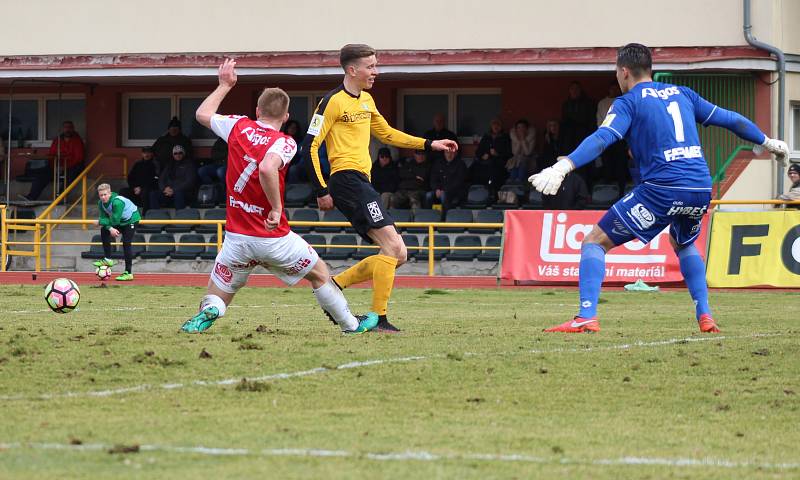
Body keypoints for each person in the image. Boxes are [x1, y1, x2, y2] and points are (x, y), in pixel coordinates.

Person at [529, 43, 789, 334]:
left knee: (594, 241)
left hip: (662, 188)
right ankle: (705, 315)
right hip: (701, 187)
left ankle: (586, 316)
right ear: (649, 69)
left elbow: (604, 137)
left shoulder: (628, 102)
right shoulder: (683, 94)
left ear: (623, 71)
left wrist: (564, 166)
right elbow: (731, 119)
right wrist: (767, 142)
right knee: (684, 243)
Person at [181, 59, 377, 335]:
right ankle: (351, 325)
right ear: (286, 117)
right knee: (320, 273)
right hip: (273, 238)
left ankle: (209, 310)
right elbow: (266, 166)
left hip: (237, 238)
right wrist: (275, 207)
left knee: (221, 291)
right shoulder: (285, 142)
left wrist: (224, 85)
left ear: (257, 110)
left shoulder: (238, 126)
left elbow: (203, 113)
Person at [302, 44, 458, 333]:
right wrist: (321, 189)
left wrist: (429, 144)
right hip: (346, 180)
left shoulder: (367, 100)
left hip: (362, 181)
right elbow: (309, 146)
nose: (376, 71)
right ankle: (379, 318)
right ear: (352, 70)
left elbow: (386, 133)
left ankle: (334, 286)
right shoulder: (331, 102)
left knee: (399, 254)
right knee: (392, 246)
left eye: (376, 65)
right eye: (370, 66)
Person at [25, 120, 85, 201]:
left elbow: (78, 158)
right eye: (65, 127)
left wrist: (64, 167)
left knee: (70, 176)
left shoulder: (77, 140)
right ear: (62, 129)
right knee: (41, 175)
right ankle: (31, 197)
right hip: (57, 166)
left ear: (73, 129)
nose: (67, 129)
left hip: (72, 167)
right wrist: (55, 166)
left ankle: (59, 199)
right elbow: (51, 155)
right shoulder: (57, 140)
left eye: (69, 127)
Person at [92, 183, 141, 281]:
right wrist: (110, 228)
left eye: (105, 194)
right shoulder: (100, 203)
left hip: (131, 220)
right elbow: (104, 217)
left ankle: (128, 273)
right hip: (120, 220)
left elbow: (114, 220)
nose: (103, 197)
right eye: (101, 195)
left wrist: (100, 222)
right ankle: (108, 259)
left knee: (126, 242)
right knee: (104, 230)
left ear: (110, 193)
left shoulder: (117, 202)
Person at [473, 118, 512, 191]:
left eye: (498, 125)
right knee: (474, 168)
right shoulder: (486, 136)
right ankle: (477, 191)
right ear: (491, 126)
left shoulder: (505, 137)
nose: (496, 126)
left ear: (501, 126)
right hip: (485, 162)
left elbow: (509, 154)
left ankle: (492, 192)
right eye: (494, 124)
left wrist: (497, 154)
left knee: (493, 170)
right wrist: (482, 155)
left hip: (499, 163)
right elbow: (478, 151)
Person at [157, 145, 198, 210]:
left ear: (183, 154)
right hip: (168, 192)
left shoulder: (189, 165)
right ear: (173, 155)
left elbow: (190, 182)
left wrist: (174, 189)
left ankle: (180, 217)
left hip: (183, 192)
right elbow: (161, 179)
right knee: (153, 194)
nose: (178, 155)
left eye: (180, 153)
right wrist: (164, 189)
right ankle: (155, 218)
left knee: (178, 194)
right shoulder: (169, 165)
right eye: (175, 153)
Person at [122, 146, 160, 211]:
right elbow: (130, 177)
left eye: (148, 152)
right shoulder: (138, 164)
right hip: (137, 188)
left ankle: (145, 215)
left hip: (149, 188)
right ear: (142, 154)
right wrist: (134, 187)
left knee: (145, 192)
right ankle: (125, 214)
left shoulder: (155, 164)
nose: (146, 154)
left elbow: (155, 179)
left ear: (152, 154)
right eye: (144, 152)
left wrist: (141, 188)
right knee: (123, 191)